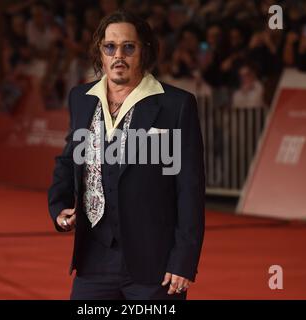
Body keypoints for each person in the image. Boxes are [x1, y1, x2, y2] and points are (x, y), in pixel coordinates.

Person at [48, 10, 205, 300]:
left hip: (154, 265)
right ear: (100, 52)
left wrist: (183, 260)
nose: (118, 55)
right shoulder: (81, 99)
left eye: (128, 47)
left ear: (144, 51)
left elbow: (189, 190)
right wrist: (58, 206)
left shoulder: (176, 105)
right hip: (93, 258)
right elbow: (69, 159)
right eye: (110, 47)